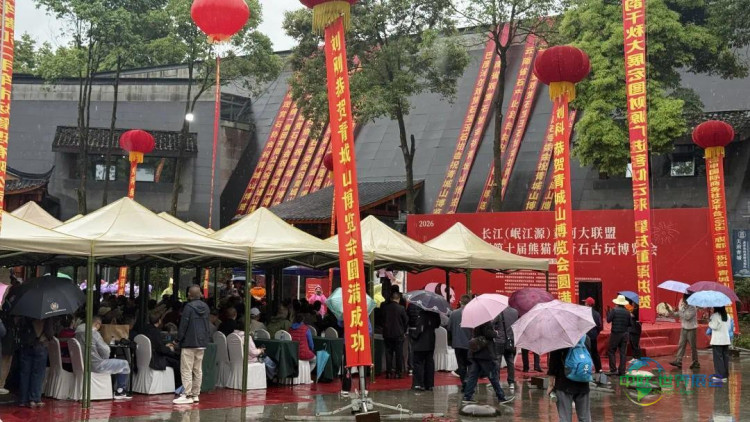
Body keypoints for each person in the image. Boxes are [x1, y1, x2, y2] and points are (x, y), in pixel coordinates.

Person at [75, 316, 132, 400]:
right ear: (97, 324)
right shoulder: (94, 334)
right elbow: (106, 352)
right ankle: (120, 391)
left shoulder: (77, 333)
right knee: (124, 364)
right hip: (96, 366)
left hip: (82, 365)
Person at [173, 285, 211, 405]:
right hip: (201, 343)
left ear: (190, 295)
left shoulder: (188, 307)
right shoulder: (206, 307)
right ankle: (195, 394)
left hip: (189, 342)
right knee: (197, 370)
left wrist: (178, 339)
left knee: (186, 369)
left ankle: (187, 394)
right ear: (200, 294)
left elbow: (183, 325)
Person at [462, 321, 513, 405]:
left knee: (473, 376)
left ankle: (467, 397)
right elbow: (488, 333)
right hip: (485, 353)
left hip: (476, 352)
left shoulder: (476, 322)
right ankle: (501, 397)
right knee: (493, 376)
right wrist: (495, 333)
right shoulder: (485, 322)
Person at [547, 342, 592, 422]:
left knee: (565, 418)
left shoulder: (559, 341)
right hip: (583, 381)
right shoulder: (585, 338)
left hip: (564, 383)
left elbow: (553, 364)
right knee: (585, 418)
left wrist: (550, 384)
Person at [18, 317, 52, 407]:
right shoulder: (47, 316)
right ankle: (34, 398)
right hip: (40, 345)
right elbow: (50, 333)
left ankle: (23, 399)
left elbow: (21, 330)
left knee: (25, 373)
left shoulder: (27, 316)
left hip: (26, 345)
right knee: (38, 373)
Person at [143, 312, 181, 388]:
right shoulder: (156, 332)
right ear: (159, 321)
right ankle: (177, 385)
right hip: (156, 360)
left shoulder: (145, 330)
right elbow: (161, 350)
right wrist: (170, 349)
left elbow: (156, 345)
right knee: (178, 363)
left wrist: (164, 346)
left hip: (147, 359)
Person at [411, 309, 440, 391]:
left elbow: (419, 329)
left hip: (421, 342)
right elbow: (437, 325)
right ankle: (429, 384)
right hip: (431, 341)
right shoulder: (435, 314)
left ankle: (419, 384)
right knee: (429, 363)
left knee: (418, 363)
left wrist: (413, 335)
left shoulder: (422, 314)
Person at [447, 295, 472, 391]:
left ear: (460, 302)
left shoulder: (454, 313)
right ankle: (469, 382)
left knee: (461, 365)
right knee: (470, 364)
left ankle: (464, 382)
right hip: (470, 343)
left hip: (457, 343)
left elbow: (449, 328)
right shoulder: (472, 313)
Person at [381, 291, 408, 379]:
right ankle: (398, 373)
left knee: (388, 353)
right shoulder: (401, 308)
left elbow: (382, 320)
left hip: (387, 334)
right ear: (398, 299)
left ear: (391, 298)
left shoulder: (385, 308)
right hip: (398, 334)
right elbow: (406, 321)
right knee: (398, 354)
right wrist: (403, 331)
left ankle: (388, 372)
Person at [670, 293, 699, 369]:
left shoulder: (693, 307)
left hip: (691, 329)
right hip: (684, 328)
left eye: (686, 300)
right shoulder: (682, 304)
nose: (684, 301)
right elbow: (678, 315)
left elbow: (687, 317)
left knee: (693, 347)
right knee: (681, 344)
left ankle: (695, 362)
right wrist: (671, 312)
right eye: (684, 299)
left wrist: (680, 311)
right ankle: (678, 361)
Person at [493, 306, 519, 392]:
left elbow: (493, 324)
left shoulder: (498, 312)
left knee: (497, 361)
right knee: (510, 362)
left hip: (499, 340)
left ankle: (496, 382)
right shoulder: (515, 312)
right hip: (510, 340)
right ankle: (511, 382)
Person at [607, 295, 632, 375]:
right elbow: (630, 324)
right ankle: (622, 370)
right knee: (623, 353)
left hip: (615, 333)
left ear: (617, 303)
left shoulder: (614, 310)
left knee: (611, 351)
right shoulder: (627, 312)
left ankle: (613, 369)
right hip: (625, 333)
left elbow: (608, 320)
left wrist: (608, 313)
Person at [708, 307, 731, 382]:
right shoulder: (727, 316)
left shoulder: (715, 316)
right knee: (725, 358)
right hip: (725, 339)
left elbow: (714, 326)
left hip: (718, 340)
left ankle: (720, 376)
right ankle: (725, 375)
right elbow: (729, 327)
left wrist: (709, 322)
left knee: (718, 359)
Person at [583, 297, 603, 373]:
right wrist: (596, 333)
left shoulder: (583, 313)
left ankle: (586, 370)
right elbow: (599, 326)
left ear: (587, 304)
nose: (584, 304)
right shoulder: (597, 314)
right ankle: (599, 369)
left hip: (585, 336)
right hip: (593, 336)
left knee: (585, 353)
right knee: (595, 353)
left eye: (585, 303)